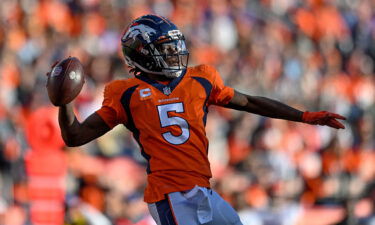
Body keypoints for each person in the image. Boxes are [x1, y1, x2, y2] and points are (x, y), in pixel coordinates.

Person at [54, 14, 346, 225]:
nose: (175, 54)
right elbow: (74, 137)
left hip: (203, 190)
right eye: (166, 50)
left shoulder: (200, 79)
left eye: (175, 47)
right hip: (170, 193)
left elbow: (250, 102)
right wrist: (65, 102)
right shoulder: (125, 93)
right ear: (142, 53)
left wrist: (305, 116)